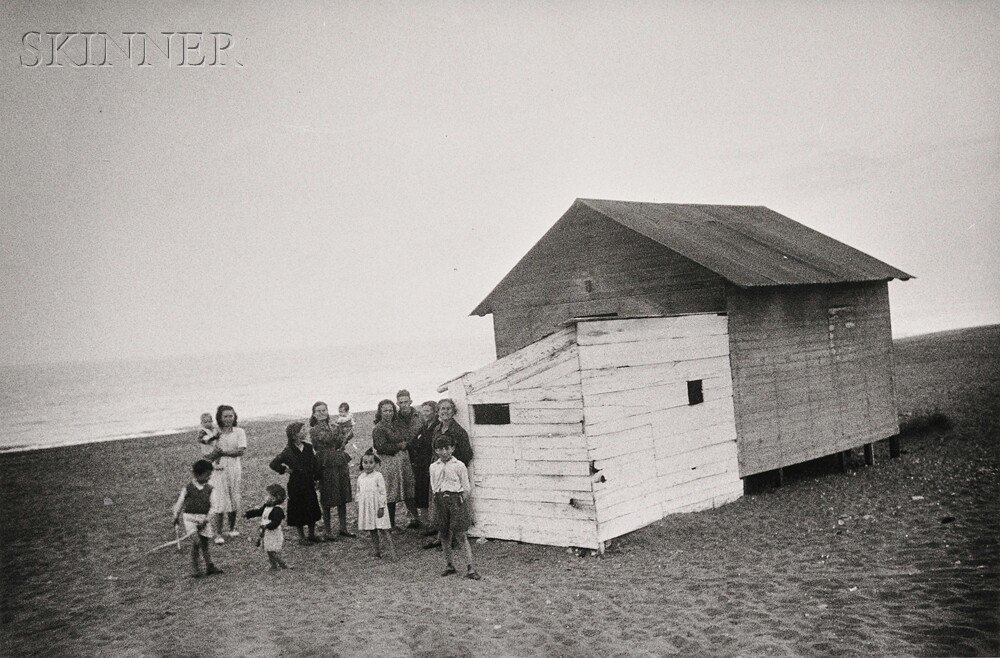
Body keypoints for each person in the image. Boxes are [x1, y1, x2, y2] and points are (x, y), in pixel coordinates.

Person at [425, 398, 474, 550]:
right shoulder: (437, 428)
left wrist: (454, 469)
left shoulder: (458, 431)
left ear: (453, 411)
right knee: (438, 503)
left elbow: (467, 454)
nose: (445, 411)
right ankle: (441, 537)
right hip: (438, 470)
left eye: (448, 408)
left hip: (452, 473)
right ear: (437, 411)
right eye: (442, 409)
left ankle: (451, 539)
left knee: (452, 506)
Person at [430, 435, 480, 580]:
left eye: (447, 448)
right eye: (440, 449)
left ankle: (470, 568)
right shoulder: (433, 466)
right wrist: (439, 499)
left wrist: (459, 501)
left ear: (452, 448)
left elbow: (466, 487)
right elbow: (434, 485)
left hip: (456, 501)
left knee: (460, 535)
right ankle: (449, 565)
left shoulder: (459, 465)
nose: (444, 452)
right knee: (444, 535)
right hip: (440, 500)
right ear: (436, 450)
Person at [308, 401, 355, 541]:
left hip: (339, 460)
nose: (322, 413)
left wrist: (345, 436)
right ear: (314, 414)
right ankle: (328, 530)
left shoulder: (335, 425)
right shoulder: (314, 429)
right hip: (325, 462)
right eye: (319, 411)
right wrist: (343, 433)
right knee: (327, 495)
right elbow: (327, 440)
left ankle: (343, 527)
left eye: (324, 410)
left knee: (343, 493)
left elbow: (341, 442)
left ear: (328, 411)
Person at [269, 421, 322, 545]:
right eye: (302, 430)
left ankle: (311, 534)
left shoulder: (308, 447)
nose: (305, 432)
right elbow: (273, 464)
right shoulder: (288, 451)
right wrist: (285, 470)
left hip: (308, 481)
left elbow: (314, 464)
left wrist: (317, 478)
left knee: (312, 506)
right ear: (294, 435)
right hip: (296, 484)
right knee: (298, 508)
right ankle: (301, 537)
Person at [172, 459, 223, 578]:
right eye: (207, 475)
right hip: (189, 519)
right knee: (197, 542)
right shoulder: (187, 488)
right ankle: (195, 568)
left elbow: (214, 507)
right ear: (197, 474)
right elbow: (179, 504)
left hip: (203, 519)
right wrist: (175, 516)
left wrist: (206, 520)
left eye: (210, 475)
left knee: (204, 543)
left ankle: (209, 566)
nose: (209, 478)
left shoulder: (210, 489)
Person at [371, 399, 415, 530]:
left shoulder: (397, 424)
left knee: (408, 489)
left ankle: (415, 518)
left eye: (390, 410)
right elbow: (381, 447)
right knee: (390, 492)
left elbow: (406, 437)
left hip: (402, 462)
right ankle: (390, 523)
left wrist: (404, 444)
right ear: (380, 412)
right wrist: (399, 446)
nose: (388, 413)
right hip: (389, 463)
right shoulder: (378, 428)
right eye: (385, 410)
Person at [209, 404, 247, 544]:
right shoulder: (215, 433)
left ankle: (231, 528)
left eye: (231, 416)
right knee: (219, 499)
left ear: (234, 416)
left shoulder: (239, 431)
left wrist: (223, 452)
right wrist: (215, 453)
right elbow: (209, 454)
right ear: (220, 417)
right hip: (218, 469)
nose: (228, 419)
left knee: (233, 497)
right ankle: (218, 533)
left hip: (234, 468)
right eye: (225, 416)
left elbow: (240, 451)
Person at [356, 449, 396, 560]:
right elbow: (358, 493)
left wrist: (381, 507)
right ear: (362, 463)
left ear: (376, 463)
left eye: (371, 462)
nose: (368, 465)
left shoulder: (378, 476)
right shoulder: (361, 478)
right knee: (372, 529)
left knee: (383, 529)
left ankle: (392, 553)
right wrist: (359, 506)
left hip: (378, 507)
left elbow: (383, 492)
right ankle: (377, 552)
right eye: (365, 462)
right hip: (367, 507)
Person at [394, 389, 423, 528]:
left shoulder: (420, 415)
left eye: (406, 402)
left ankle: (425, 516)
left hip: (419, 454)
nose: (404, 405)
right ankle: (414, 517)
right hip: (404, 455)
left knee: (421, 484)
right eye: (401, 402)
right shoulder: (395, 418)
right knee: (407, 486)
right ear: (397, 403)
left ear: (411, 401)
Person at [245, 483, 290, 571]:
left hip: (273, 533)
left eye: (269, 495)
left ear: (275, 497)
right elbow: (259, 512)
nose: (266, 497)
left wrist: (267, 526)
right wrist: (248, 514)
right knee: (268, 549)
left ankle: (283, 564)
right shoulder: (267, 506)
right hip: (266, 532)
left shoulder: (278, 509)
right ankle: (274, 566)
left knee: (272, 550)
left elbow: (276, 522)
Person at [411, 401, 440, 539]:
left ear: (435, 412)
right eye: (423, 411)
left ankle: (433, 525)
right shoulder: (423, 427)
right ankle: (427, 524)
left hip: (430, 465)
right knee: (421, 494)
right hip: (420, 467)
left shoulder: (436, 427)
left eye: (427, 411)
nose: (425, 414)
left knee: (430, 494)